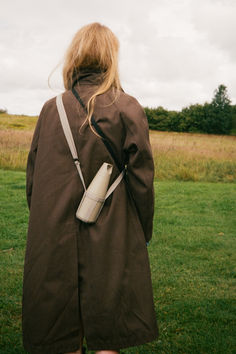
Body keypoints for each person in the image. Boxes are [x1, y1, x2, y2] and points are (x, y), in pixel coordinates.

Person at [22, 22, 159, 354]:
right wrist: (141, 232)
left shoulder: (50, 109)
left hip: (54, 231)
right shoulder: (128, 107)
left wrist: (46, 221)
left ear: (75, 56)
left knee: (61, 327)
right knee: (109, 327)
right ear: (111, 57)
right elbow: (142, 181)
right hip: (113, 230)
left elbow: (33, 178)